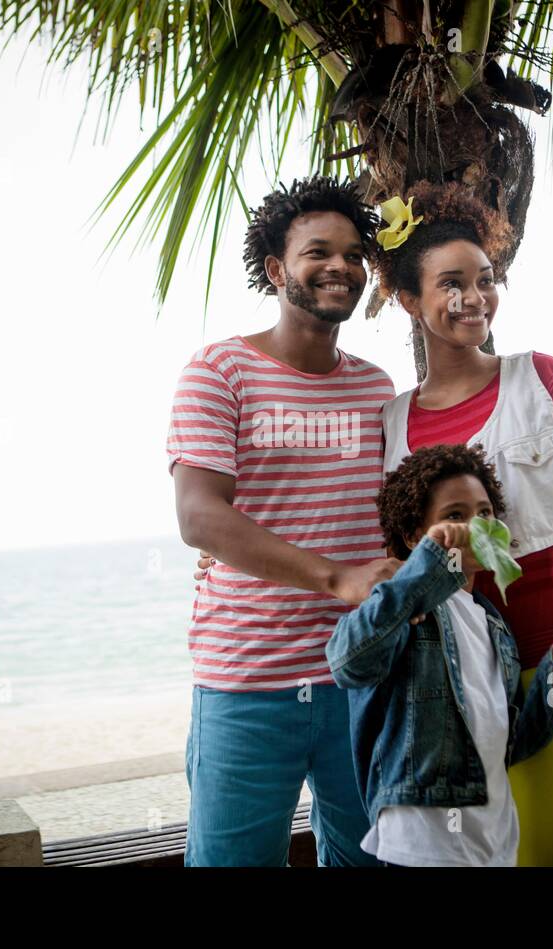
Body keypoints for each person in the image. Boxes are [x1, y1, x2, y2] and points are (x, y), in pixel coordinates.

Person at [370, 180, 553, 866]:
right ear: (410, 301)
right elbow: (395, 554)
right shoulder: (392, 420)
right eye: (451, 283)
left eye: (485, 278)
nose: (475, 297)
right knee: (508, 852)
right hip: (461, 673)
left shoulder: (541, 377)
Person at [166, 175, 397, 866]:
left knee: (367, 860)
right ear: (276, 269)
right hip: (248, 681)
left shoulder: (376, 386)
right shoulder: (218, 370)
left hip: (360, 674)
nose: (340, 267)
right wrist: (335, 577)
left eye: (355, 255)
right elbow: (200, 516)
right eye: (318, 252)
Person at [325, 443, 553, 867]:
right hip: (423, 847)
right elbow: (347, 660)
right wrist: (428, 567)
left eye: (483, 513)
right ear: (412, 536)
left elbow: (506, 742)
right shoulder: (407, 607)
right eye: (454, 516)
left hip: (494, 843)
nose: (473, 526)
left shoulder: (494, 626)